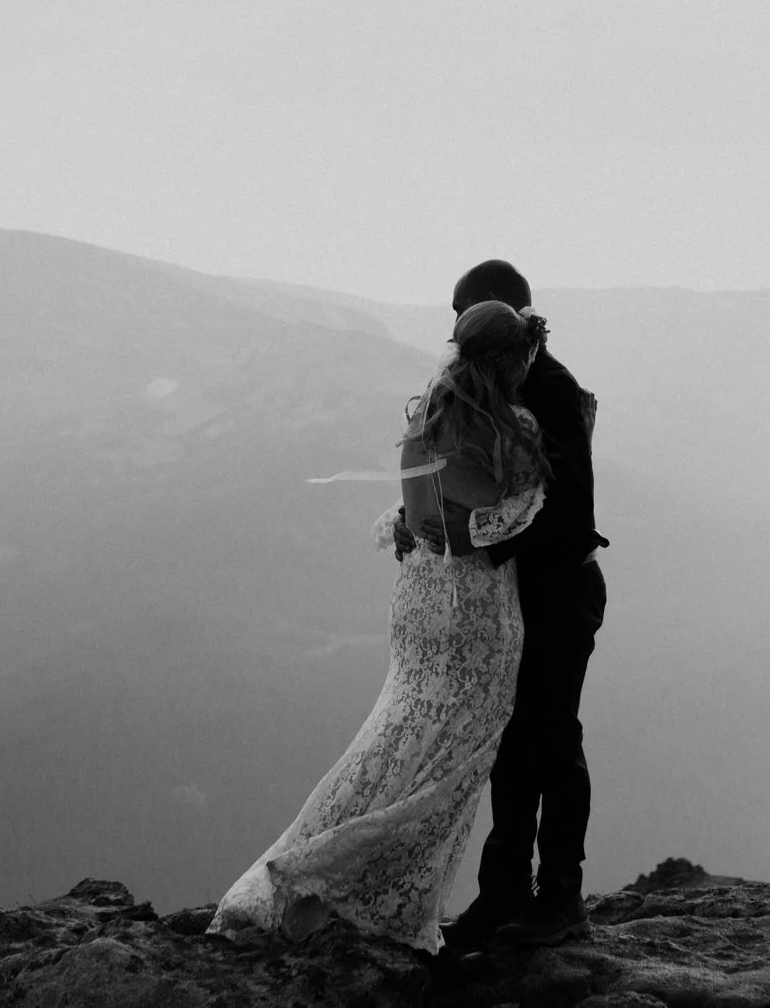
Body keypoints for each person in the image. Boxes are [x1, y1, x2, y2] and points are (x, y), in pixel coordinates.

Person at [210, 300, 551, 952]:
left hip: (419, 599)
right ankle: (351, 885)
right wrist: (511, 507)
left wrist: (419, 523)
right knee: (450, 765)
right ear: (512, 359)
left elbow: (417, 513)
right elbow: (507, 517)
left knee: (391, 739)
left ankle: (315, 868)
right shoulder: (514, 427)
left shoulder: (425, 413)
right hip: (476, 609)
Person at [439, 260, 608, 952]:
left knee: (553, 739)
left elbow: (567, 512)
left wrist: (479, 538)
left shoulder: (552, 389)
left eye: (465, 318)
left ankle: (561, 896)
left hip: (561, 590)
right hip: (519, 593)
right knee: (513, 743)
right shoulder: (505, 385)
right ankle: (503, 891)